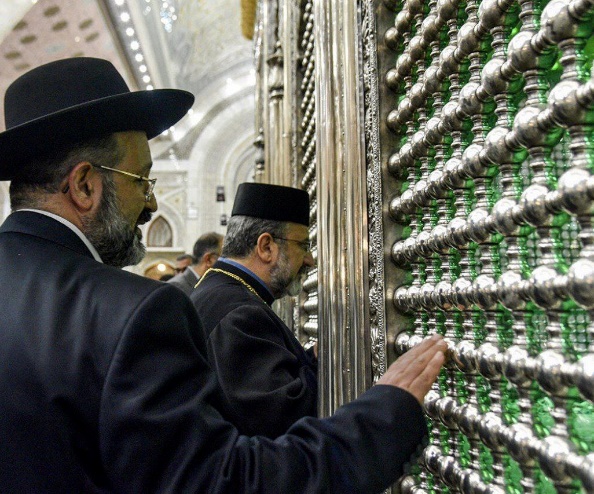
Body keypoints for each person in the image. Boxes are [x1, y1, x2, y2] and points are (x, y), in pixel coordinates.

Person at [0, 56, 447, 493]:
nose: (151, 204)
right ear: (84, 186)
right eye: (142, 181)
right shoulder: (131, 312)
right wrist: (381, 418)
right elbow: (222, 481)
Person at [191, 183, 319, 438]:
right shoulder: (239, 314)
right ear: (266, 247)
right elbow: (280, 417)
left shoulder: (220, 291)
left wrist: (311, 357)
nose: (309, 260)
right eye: (303, 245)